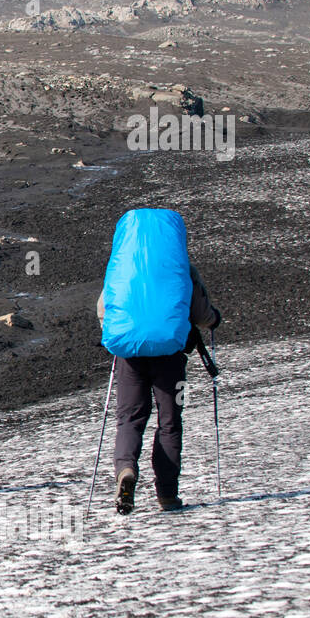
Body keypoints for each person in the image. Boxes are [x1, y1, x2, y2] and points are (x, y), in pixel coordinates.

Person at [97, 208, 221, 514]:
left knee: (129, 419)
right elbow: (202, 314)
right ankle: (167, 494)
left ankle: (126, 470)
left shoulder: (122, 267)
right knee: (170, 423)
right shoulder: (181, 268)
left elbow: (105, 309)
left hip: (129, 358)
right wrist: (214, 319)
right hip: (171, 359)